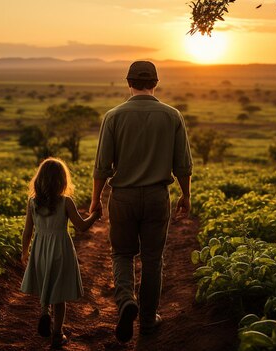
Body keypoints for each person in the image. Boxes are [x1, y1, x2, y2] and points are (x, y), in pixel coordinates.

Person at [90, 61, 193, 342]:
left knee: (122, 254)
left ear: (128, 83)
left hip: (123, 197)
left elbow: (102, 166)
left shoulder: (113, 116)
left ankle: (126, 302)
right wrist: (186, 195)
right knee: (152, 259)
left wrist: (96, 199)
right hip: (158, 197)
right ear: (155, 83)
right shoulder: (173, 116)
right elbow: (183, 165)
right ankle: (147, 321)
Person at [20, 157, 101, 349]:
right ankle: (58, 334)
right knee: (60, 294)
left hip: (40, 249)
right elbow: (81, 227)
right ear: (62, 181)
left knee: (45, 284)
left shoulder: (33, 203)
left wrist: (25, 252)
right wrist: (95, 216)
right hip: (61, 250)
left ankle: (44, 312)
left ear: (39, 180)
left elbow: (27, 231)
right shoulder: (66, 202)